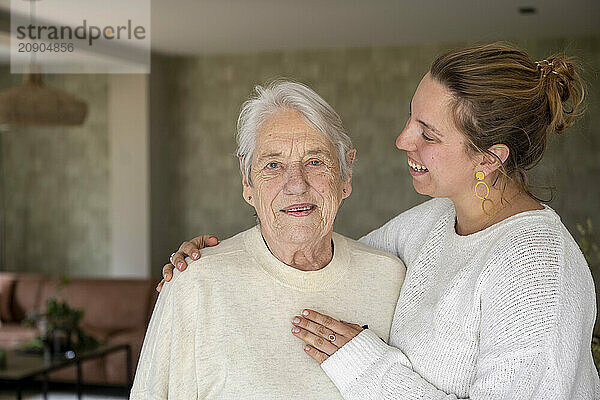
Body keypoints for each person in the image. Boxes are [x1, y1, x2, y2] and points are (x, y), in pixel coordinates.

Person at [159, 43, 600, 399]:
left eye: (428, 133)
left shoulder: (539, 271)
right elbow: (320, 252)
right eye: (411, 116)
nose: (402, 139)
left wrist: (367, 367)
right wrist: (206, 263)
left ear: (489, 157)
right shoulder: (433, 223)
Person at [130, 81, 406, 399]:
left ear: (346, 175)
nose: (296, 185)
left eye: (315, 162)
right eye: (273, 165)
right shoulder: (196, 283)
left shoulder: (390, 278)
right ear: (247, 181)